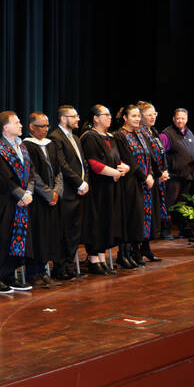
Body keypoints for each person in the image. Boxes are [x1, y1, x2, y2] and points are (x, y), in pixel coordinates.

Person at [0, 111, 43, 293]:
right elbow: (3, 180)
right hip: (6, 202)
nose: (21, 125)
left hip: (22, 202)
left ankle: (11, 276)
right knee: (3, 238)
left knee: (18, 239)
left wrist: (29, 192)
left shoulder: (22, 147)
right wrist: (20, 195)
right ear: (6, 128)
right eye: (17, 122)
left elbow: (31, 171)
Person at [79, 105, 127, 275]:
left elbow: (116, 158)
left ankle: (101, 256)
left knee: (108, 221)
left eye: (109, 114)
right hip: (98, 187)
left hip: (111, 186)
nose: (109, 117)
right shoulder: (90, 137)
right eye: (105, 115)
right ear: (95, 118)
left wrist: (123, 168)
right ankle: (93, 259)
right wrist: (114, 172)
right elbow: (93, 163)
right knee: (97, 221)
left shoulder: (110, 137)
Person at [48, 105, 89, 280]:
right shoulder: (55, 137)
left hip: (79, 191)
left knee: (74, 231)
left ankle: (69, 264)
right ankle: (60, 266)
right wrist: (79, 183)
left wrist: (85, 181)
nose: (78, 119)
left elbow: (82, 163)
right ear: (64, 118)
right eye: (74, 116)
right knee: (63, 230)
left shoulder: (76, 138)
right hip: (67, 191)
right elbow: (62, 165)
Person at [23, 112, 62, 287]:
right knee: (38, 235)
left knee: (48, 235)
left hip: (52, 199)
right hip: (38, 200)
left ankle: (44, 271)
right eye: (41, 126)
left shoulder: (51, 145)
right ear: (31, 127)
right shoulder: (27, 146)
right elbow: (32, 174)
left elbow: (59, 171)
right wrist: (48, 193)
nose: (45, 130)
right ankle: (34, 273)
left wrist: (57, 192)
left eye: (47, 126)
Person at [111, 105, 150, 269]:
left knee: (137, 219)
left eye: (138, 116)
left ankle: (133, 252)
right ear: (125, 118)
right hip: (129, 182)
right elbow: (129, 159)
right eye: (133, 116)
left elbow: (148, 155)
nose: (137, 119)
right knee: (128, 218)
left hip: (141, 182)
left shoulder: (140, 134)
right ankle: (123, 254)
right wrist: (144, 176)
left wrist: (152, 174)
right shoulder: (120, 135)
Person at [161, 108, 194, 239]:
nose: (180, 120)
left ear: (186, 119)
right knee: (169, 203)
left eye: (183, 118)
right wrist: (164, 170)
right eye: (178, 118)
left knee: (182, 204)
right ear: (173, 119)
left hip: (187, 175)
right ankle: (165, 229)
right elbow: (160, 153)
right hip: (173, 176)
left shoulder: (190, 133)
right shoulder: (167, 134)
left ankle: (184, 229)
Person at [138, 102, 170, 250]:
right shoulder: (140, 132)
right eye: (149, 114)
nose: (153, 117)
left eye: (154, 114)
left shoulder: (154, 132)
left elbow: (161, 154)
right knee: (145, 214)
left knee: (153, 214)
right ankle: (139, 248)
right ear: (141, 116)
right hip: (147, 177)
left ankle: (146, 247)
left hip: (158, 177)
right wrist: (157, 173)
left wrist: (165, 171)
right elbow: (147, 156)